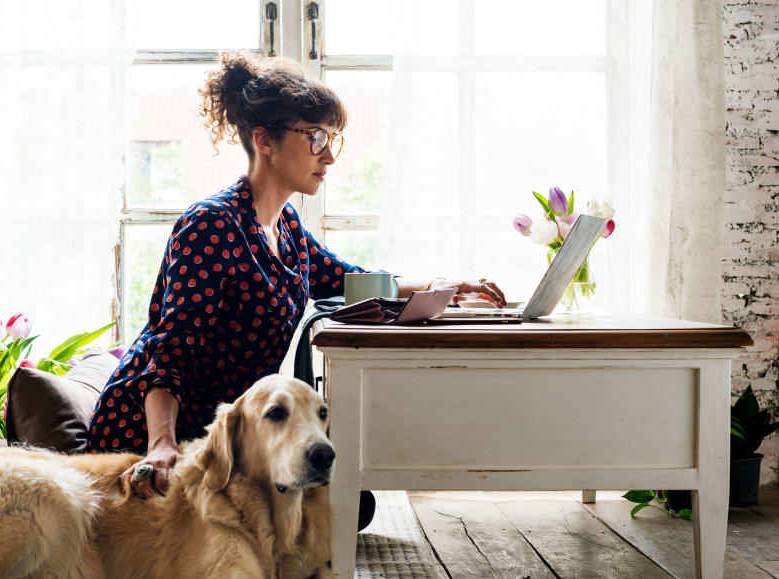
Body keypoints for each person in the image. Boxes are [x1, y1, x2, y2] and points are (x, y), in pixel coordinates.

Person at [86, 51, 506, 506]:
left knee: (349, 501)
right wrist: (160, 444)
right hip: (148, 431)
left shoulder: (286, 229)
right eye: (316, 137)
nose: (328, 154)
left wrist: (443, 285)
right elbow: (169, 349)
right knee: (339, 503)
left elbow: (352, 278)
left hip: (231, 433)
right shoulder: (209, 225)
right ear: (265, 140)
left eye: (332, 139)